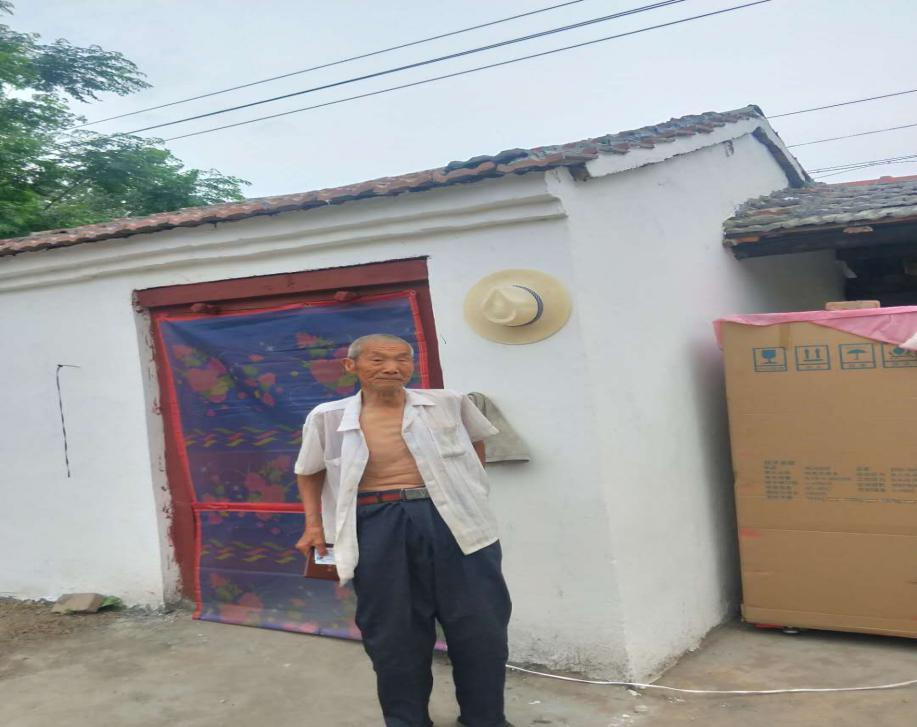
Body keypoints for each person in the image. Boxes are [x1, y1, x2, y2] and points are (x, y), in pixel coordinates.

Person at [293, 333, 512, 727]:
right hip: (377, 523)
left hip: (458, 523)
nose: (392, 368)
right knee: (394, 634)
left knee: (482, 627)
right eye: (378, 360)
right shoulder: (328, 417)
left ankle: (485, 719)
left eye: (402, 359)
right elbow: (309, 471)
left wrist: (471, 492)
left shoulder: (447, 403)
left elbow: (476, 444)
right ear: (351, 366)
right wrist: (314, 526)